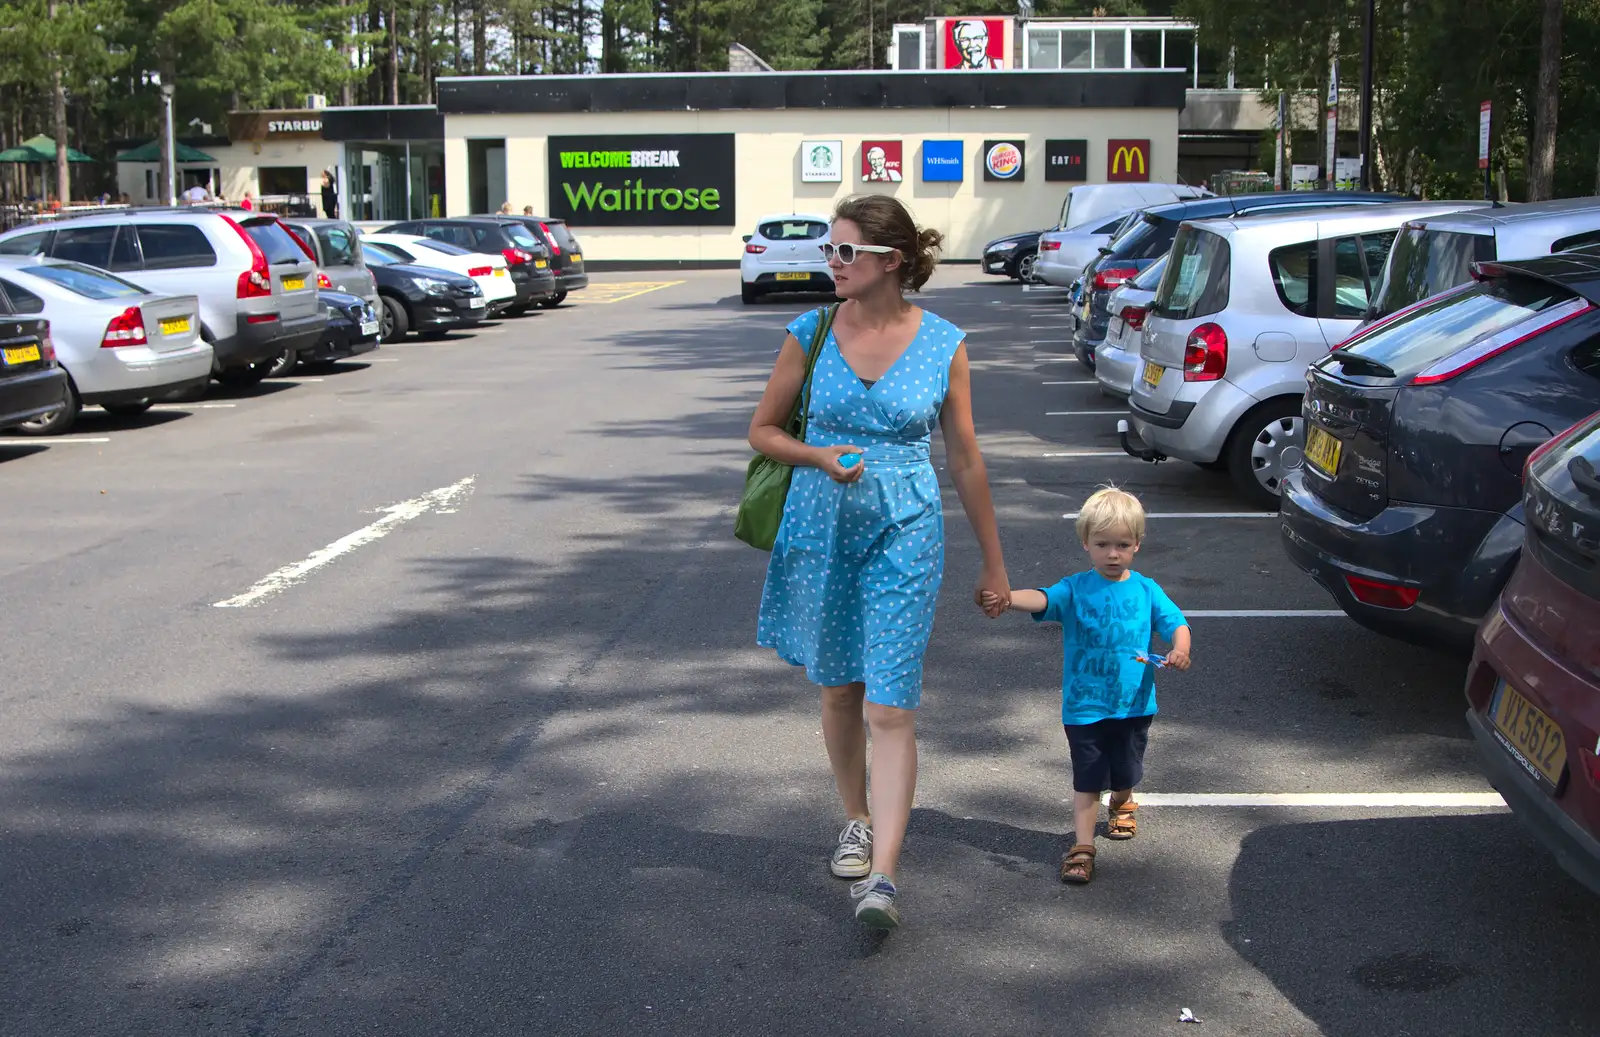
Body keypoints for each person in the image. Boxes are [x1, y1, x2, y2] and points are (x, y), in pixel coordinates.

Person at [750, 194, 1009, 930]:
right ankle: (856, 818)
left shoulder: (945, 341)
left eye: (844, 252)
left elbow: (963, 457)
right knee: (838, 690)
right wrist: (815, 454)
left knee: (889, 705)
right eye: (828, 251)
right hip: (819, 528)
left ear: (891, 261)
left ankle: (885, 875)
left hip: (906, 532)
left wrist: (995, 564)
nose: (830, 263)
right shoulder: (812, 330)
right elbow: (762, 430)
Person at [980, 487, 1192, 886]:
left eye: (1123, 545)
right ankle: (1082, 847)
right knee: (1088, 775)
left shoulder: (1146, 589)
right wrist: (1008, 598)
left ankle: (1123, 801)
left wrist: (1180, 647)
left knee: (1126, 767)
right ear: (1086, 544)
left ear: (1137, 545)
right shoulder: (1076, 588)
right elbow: (1042, 599)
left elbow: (1175, 622)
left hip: (1133, 705)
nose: (1113, 553)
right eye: (1103, 544)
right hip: (1084, 707)